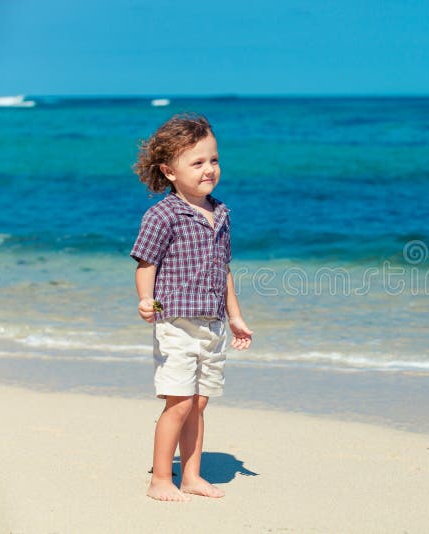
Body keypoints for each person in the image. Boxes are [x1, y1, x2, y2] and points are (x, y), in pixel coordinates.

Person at [130, 113, 253, 502]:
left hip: (212, 324)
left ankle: (192, 476)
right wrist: (145, 299)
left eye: (213, 160)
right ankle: (161, 479)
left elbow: (224, 271)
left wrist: (234, 316)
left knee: (199, 402)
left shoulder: (221, 214)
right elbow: (146, 262)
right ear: (169, 171)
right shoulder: (162, 215)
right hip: (176, 322)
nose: (209, 169)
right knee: (179, 402)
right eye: (197, 163)